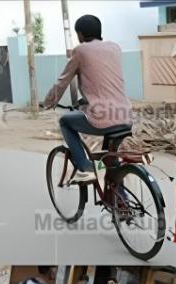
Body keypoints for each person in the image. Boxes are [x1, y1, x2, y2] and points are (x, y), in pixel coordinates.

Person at [41, 14, 133, 178]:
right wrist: (85, 100)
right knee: (111, 164)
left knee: (65, 122)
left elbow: (62, 82)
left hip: (102, 117)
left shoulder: (80, 51)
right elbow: (102, 82)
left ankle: (84, 165)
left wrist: (48, 102)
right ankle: (121, 199)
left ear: (80, 34)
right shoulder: (114, 48)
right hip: (126, 116)